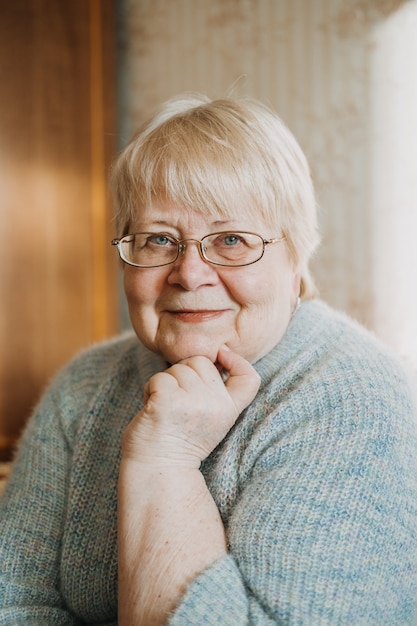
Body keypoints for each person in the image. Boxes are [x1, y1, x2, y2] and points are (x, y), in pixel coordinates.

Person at [1, 93, 417, 626]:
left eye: (231, 240)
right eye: (158, 240)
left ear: (296, 260)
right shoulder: (86, 383)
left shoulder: (353, 396)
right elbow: (13, 604)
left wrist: (164, 459)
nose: (189, 273)